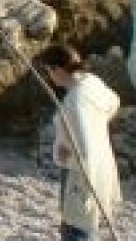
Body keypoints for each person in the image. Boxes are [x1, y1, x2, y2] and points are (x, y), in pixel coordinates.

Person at [40, 44, 122, 241]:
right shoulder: (91, 82)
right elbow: (114, 102)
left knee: (76, 224)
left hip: (81, 170)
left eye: (48, 71)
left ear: (58, 70)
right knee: (87, 220)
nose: (49, 77)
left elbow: (84, 147)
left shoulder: (74, 100)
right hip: (102, 161)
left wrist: (64, 153)